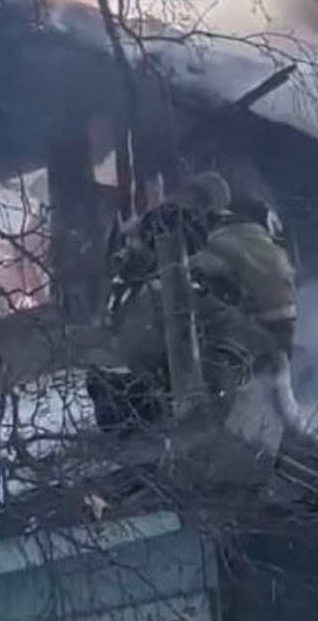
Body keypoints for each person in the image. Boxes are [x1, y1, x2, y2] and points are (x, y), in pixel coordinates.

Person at [90, 170, 297, 434]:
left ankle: (160, 405)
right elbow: (278, 307)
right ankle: (189, 406)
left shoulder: (172, 228)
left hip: (148, 343)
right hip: (209, 342)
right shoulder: (244, 233)